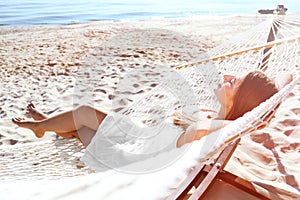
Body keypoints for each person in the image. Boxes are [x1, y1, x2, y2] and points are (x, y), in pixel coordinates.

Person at [12, 70, 292, 149]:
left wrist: (256, 113)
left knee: (85, 116)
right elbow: (285, 78)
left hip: (132, 148)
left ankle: (40, 126)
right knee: (83, 122)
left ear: (238, 104)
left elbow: (240, 124)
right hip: (139, 133)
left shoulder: (213, 128)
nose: (227, 76)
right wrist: (283, 86)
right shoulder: (216, 118)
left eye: (235, 83)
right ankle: (48, 123)